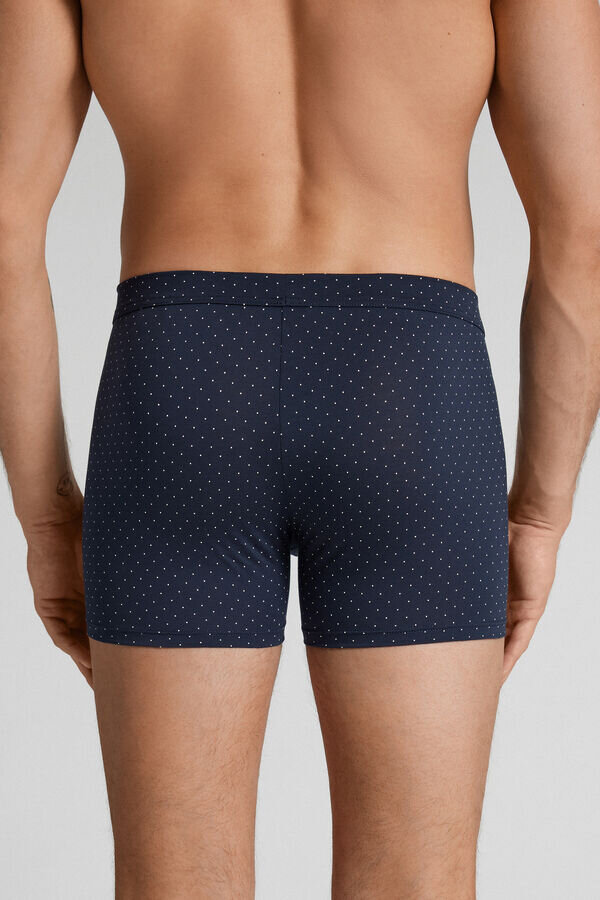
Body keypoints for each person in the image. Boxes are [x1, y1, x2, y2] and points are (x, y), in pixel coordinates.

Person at [1, 0, 599, 897]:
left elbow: (4, 225)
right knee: (416, 880)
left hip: (180, 396)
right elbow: (583, 225)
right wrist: (541, 517)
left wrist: (47, 519)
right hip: (410, 396)